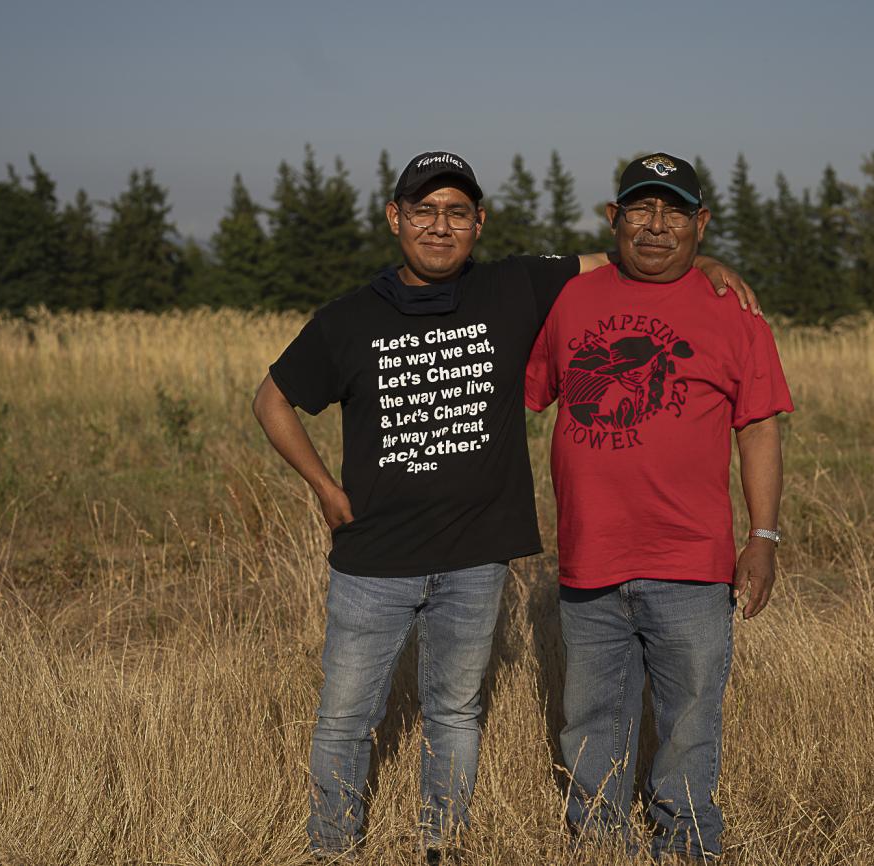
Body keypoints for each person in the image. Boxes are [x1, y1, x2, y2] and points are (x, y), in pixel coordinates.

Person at [251, 151, 760, 860]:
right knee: (344, 717)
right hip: (372, 559)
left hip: (475, 558)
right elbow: (271, 399)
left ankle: (443, 846)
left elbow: (630, 253)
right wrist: (325, 489)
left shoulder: (514, 286)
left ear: (479, 223)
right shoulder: (348, 319)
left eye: (457, 212)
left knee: (456, 713)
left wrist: (706, 266)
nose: (440, 225)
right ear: (395, 218)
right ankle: (332, 846)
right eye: (423, 210)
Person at [525, 152, 793, 860]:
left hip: (692, 562)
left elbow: (759, 425)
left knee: (689, 724)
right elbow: (528, 391)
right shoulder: (570, 300)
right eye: (640, 208)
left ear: (700, 224)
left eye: (674, 211)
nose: (656, 224)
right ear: (613, 219)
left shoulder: (733, 312)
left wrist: (762, 536)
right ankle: (601, 847)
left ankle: (687, 845)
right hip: (590, 558)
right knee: (589, 722)